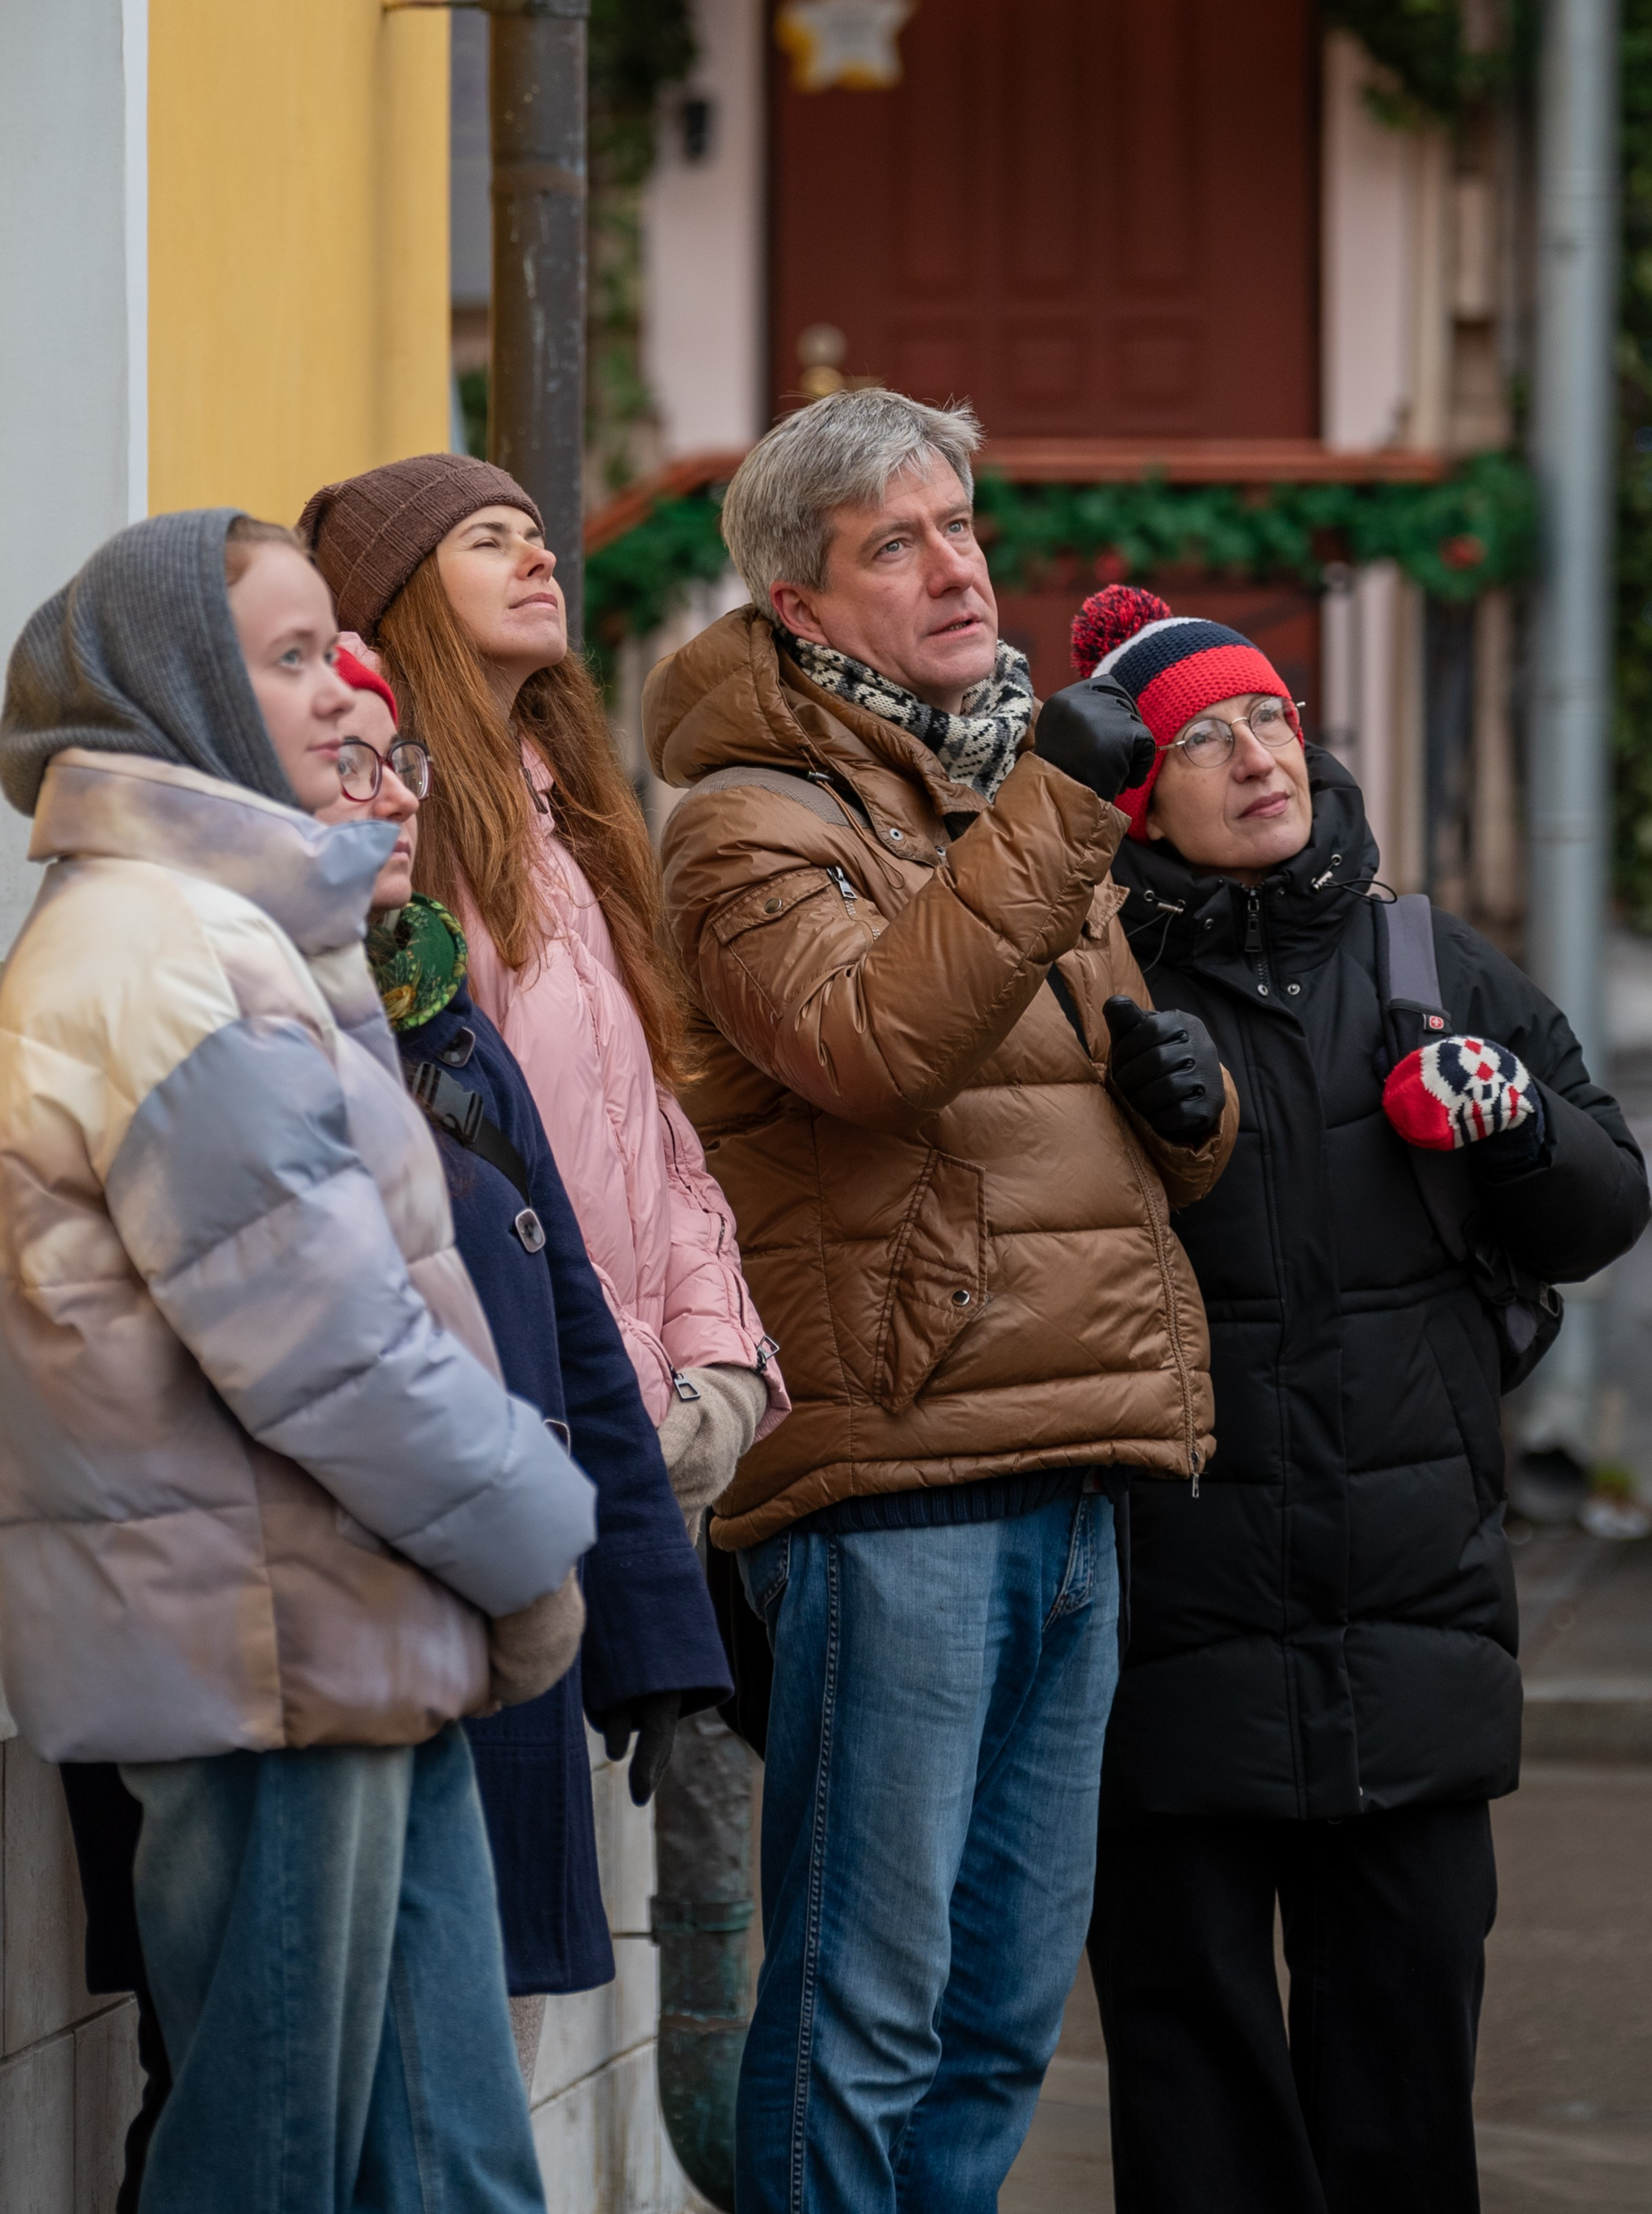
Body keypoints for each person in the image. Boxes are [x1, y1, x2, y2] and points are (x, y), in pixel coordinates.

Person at [639, 388, 1240, 2214]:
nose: (957, 563)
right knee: (865, 2014)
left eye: (962, 523)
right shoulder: (744, 822)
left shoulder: (988, 781)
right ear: (802, 606)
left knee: (994, 2024)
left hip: (1072, 1461)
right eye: (897, 541)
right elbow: (870, 1042)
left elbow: (1080, 1123)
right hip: (894, 1476)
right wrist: (1062, 807)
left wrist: (1191, 1118)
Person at [0, 511, 596, 2214]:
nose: (347, 691)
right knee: (274, 2164)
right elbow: (335, 1350)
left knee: (433, 2166)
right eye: (293, 654)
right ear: (178, 684)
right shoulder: (163, 954)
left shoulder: (221, 934)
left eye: (339, 648)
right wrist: (539, 1536)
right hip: (269, 1664)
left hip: (332, 1640)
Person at [1071, 583, 1650, 2214]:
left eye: (1271, 717)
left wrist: (1515, 1120)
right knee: (1198, 2111)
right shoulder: (1085, 982)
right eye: (1205, 736)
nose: (1259, 754)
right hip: (1169, 1646)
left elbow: (1605, 1207)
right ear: (1140, 793)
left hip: (1411, 1635)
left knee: (1404, 2099)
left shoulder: (1426, 955)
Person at [314, 649, 732, 2083]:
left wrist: (656, 1642)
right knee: (314, 2115)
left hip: (503, 1637)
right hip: (342, 1668)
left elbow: (574, 1355)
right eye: (350, 764)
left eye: (402, 767)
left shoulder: (450, 1027)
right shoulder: (249, 1031)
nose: (391, 802)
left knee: (477, 2078)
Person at [297, 455, 788, 1545]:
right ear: (401, 600)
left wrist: (720, 1362)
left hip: (632, 1425)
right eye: (487, 539)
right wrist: (643, 1394)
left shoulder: (568, 824)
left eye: (535, 528)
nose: (542, 554)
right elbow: (473, 1175)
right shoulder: (391, 846)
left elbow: (652, 1131)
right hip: (528, 1427)